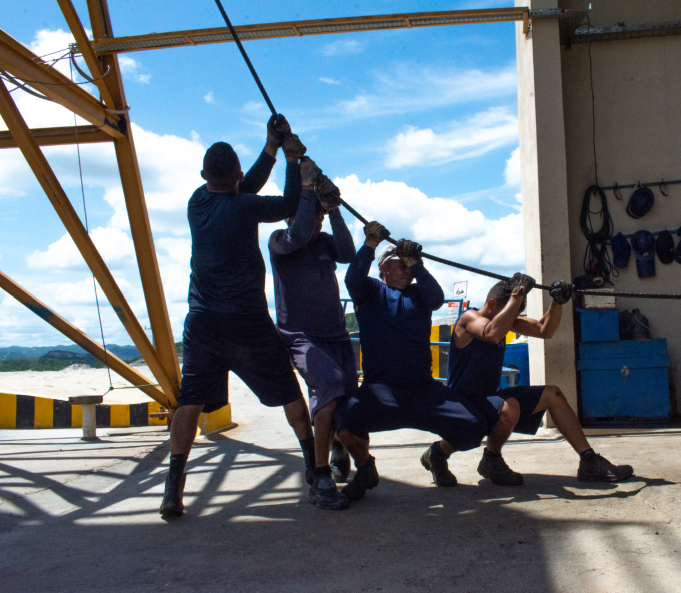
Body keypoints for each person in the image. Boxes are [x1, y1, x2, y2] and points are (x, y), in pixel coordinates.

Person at [160, 116, 318, 518]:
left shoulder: (198, 201)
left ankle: (172, 491)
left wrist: (271, 148)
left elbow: (242, 189)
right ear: (236, 174)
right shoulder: (243, 207)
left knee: (190, 400)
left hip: (202, 324)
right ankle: (315, 471)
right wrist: (292, 162)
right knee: (288, 392)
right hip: (246, 323)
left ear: (204, 175)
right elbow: (284, 204)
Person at [333, 227, 488, 500]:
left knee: (473, 426)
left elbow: (437, 298)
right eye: (399, 265)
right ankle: (366, 468)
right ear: (383, 269)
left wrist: (417, 264)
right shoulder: (370, 292)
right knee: (343, 421)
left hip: (422, 390)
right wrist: (370, 243)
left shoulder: (420, 294)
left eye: (408, 266)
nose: (406, 271)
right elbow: (353, 278)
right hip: (379, 391)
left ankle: (436, 455)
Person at [438, 276, 633, 486]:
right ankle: (447, 454)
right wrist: (517, 297)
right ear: (493, 304)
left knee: (552, 394)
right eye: (511, 309)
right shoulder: (469, 318)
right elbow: (491, 333)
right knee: (506, 409)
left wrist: (557, 303)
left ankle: (588, 461)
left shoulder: (505, 320)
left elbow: (543, 329)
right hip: (464, 404)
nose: (513, 316)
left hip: (489, 399)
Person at [268, 173, 356, 510]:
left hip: (335, 334)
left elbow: (347, 252)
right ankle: (320, 477)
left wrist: (333, 211)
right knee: (330, 383)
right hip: (301, 337)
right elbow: (298, 234)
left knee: (346, 394)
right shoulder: (279, 241)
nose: (316, 223)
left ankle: (336, 446)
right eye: (313, 216)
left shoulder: (323, 244)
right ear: (292, 215)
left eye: (319, 218)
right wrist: (305, 190)